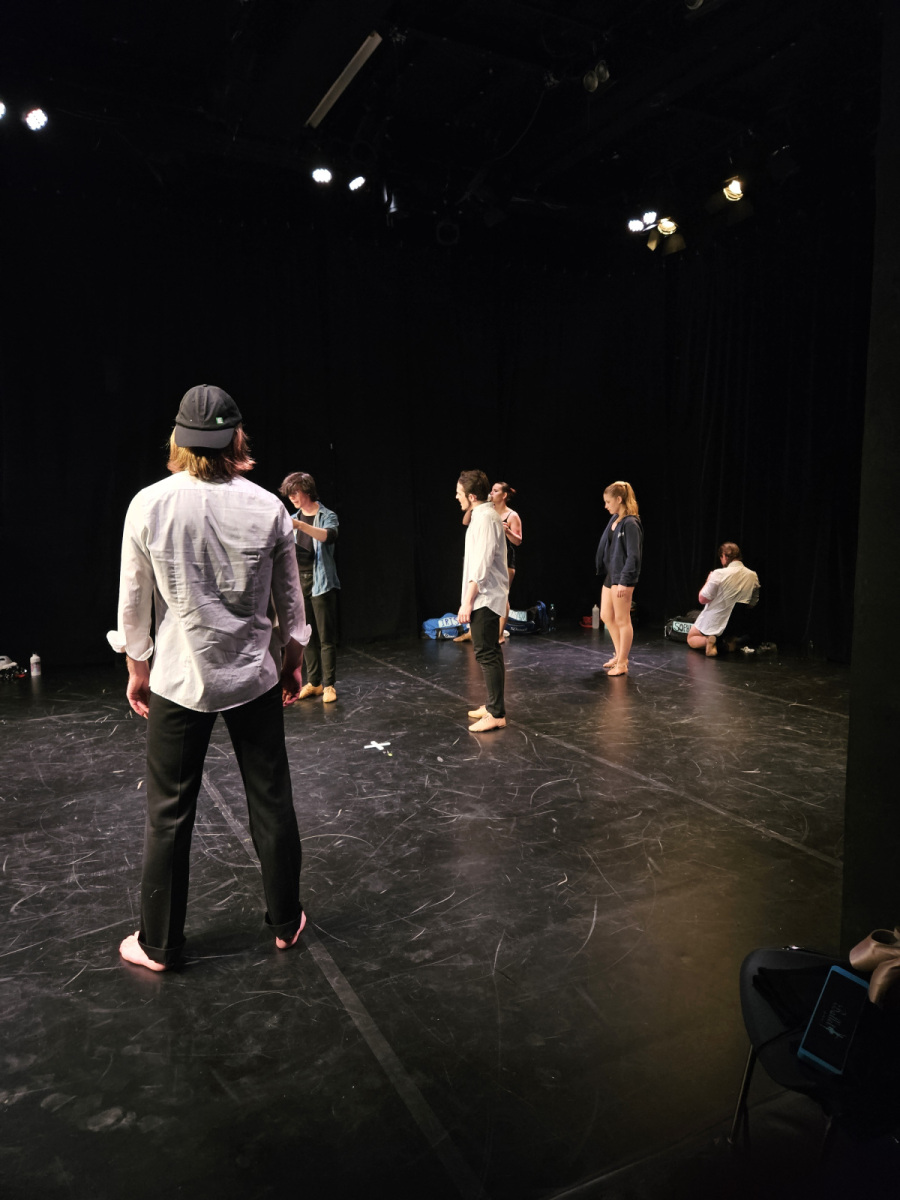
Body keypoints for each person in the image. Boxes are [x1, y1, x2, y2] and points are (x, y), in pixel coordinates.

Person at [108, 385, 310, 972]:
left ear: (178, 440)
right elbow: (291, 605)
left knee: (169, 813)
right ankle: (285, 921)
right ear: (236, 439)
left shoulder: (148, 504)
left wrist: (138, 667)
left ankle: (159, 944)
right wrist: (292, 661)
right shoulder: (269, 507)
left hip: (179, 676)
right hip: (253, 677)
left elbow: (133, 603)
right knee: (271, 801)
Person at [278, 472, 340, 704]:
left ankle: (329, 684)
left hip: (321, 582)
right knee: (307, 636)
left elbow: (328, 536)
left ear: (307, 490)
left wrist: (301, 526)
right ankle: (314, 682)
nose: (292, 498)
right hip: (298, 583)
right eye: (289, 495)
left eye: (295, 492)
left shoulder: (326, 515)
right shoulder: (292, 519)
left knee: (325, 637)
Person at [456, 470, 509, 731]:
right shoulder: (480, 515)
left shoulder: (486, 518)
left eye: (459, 493)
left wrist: (467, 601)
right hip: (483, 596)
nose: (456, 497)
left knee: (487, 653)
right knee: (489, 652)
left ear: (471, 496)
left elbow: (483, 564)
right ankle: (492, 705)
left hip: (486, 597)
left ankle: (497, 714)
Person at [457, 481, 522, 644]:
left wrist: (507, 531)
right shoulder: (485, 511)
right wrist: (471, 505)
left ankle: (499, 633)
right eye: (491, 490)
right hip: (487, 560)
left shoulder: (511, 515)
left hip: (504, 559)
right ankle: (473, 631)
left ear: (504, 495)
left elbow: (518, 540)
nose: (491, 493)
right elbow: (465, 521)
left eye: (496, 491)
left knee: (502, 596)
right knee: (479, 595)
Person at [595, 481, 643, 676]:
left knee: (623, 620)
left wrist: (624, 580)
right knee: (606, 615)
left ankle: (622, 663)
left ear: (619, 499)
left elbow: (634, 555)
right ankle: (619, 654)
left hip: (623, 576)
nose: (605, 506)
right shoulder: (615, 519)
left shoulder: (631, 523)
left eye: (608, 502)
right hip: (611, 574)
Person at [686, 542, 760, 656]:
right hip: (736, 625)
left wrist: (708, 580)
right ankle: (728, 643)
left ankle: (709, 641)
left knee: (691, 638)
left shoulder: (718, 573)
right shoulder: (753, 575)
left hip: (716, 621)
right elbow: (752, 603)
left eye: (721, 557)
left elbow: (702, 599)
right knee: (725, 634)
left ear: (724, 556)